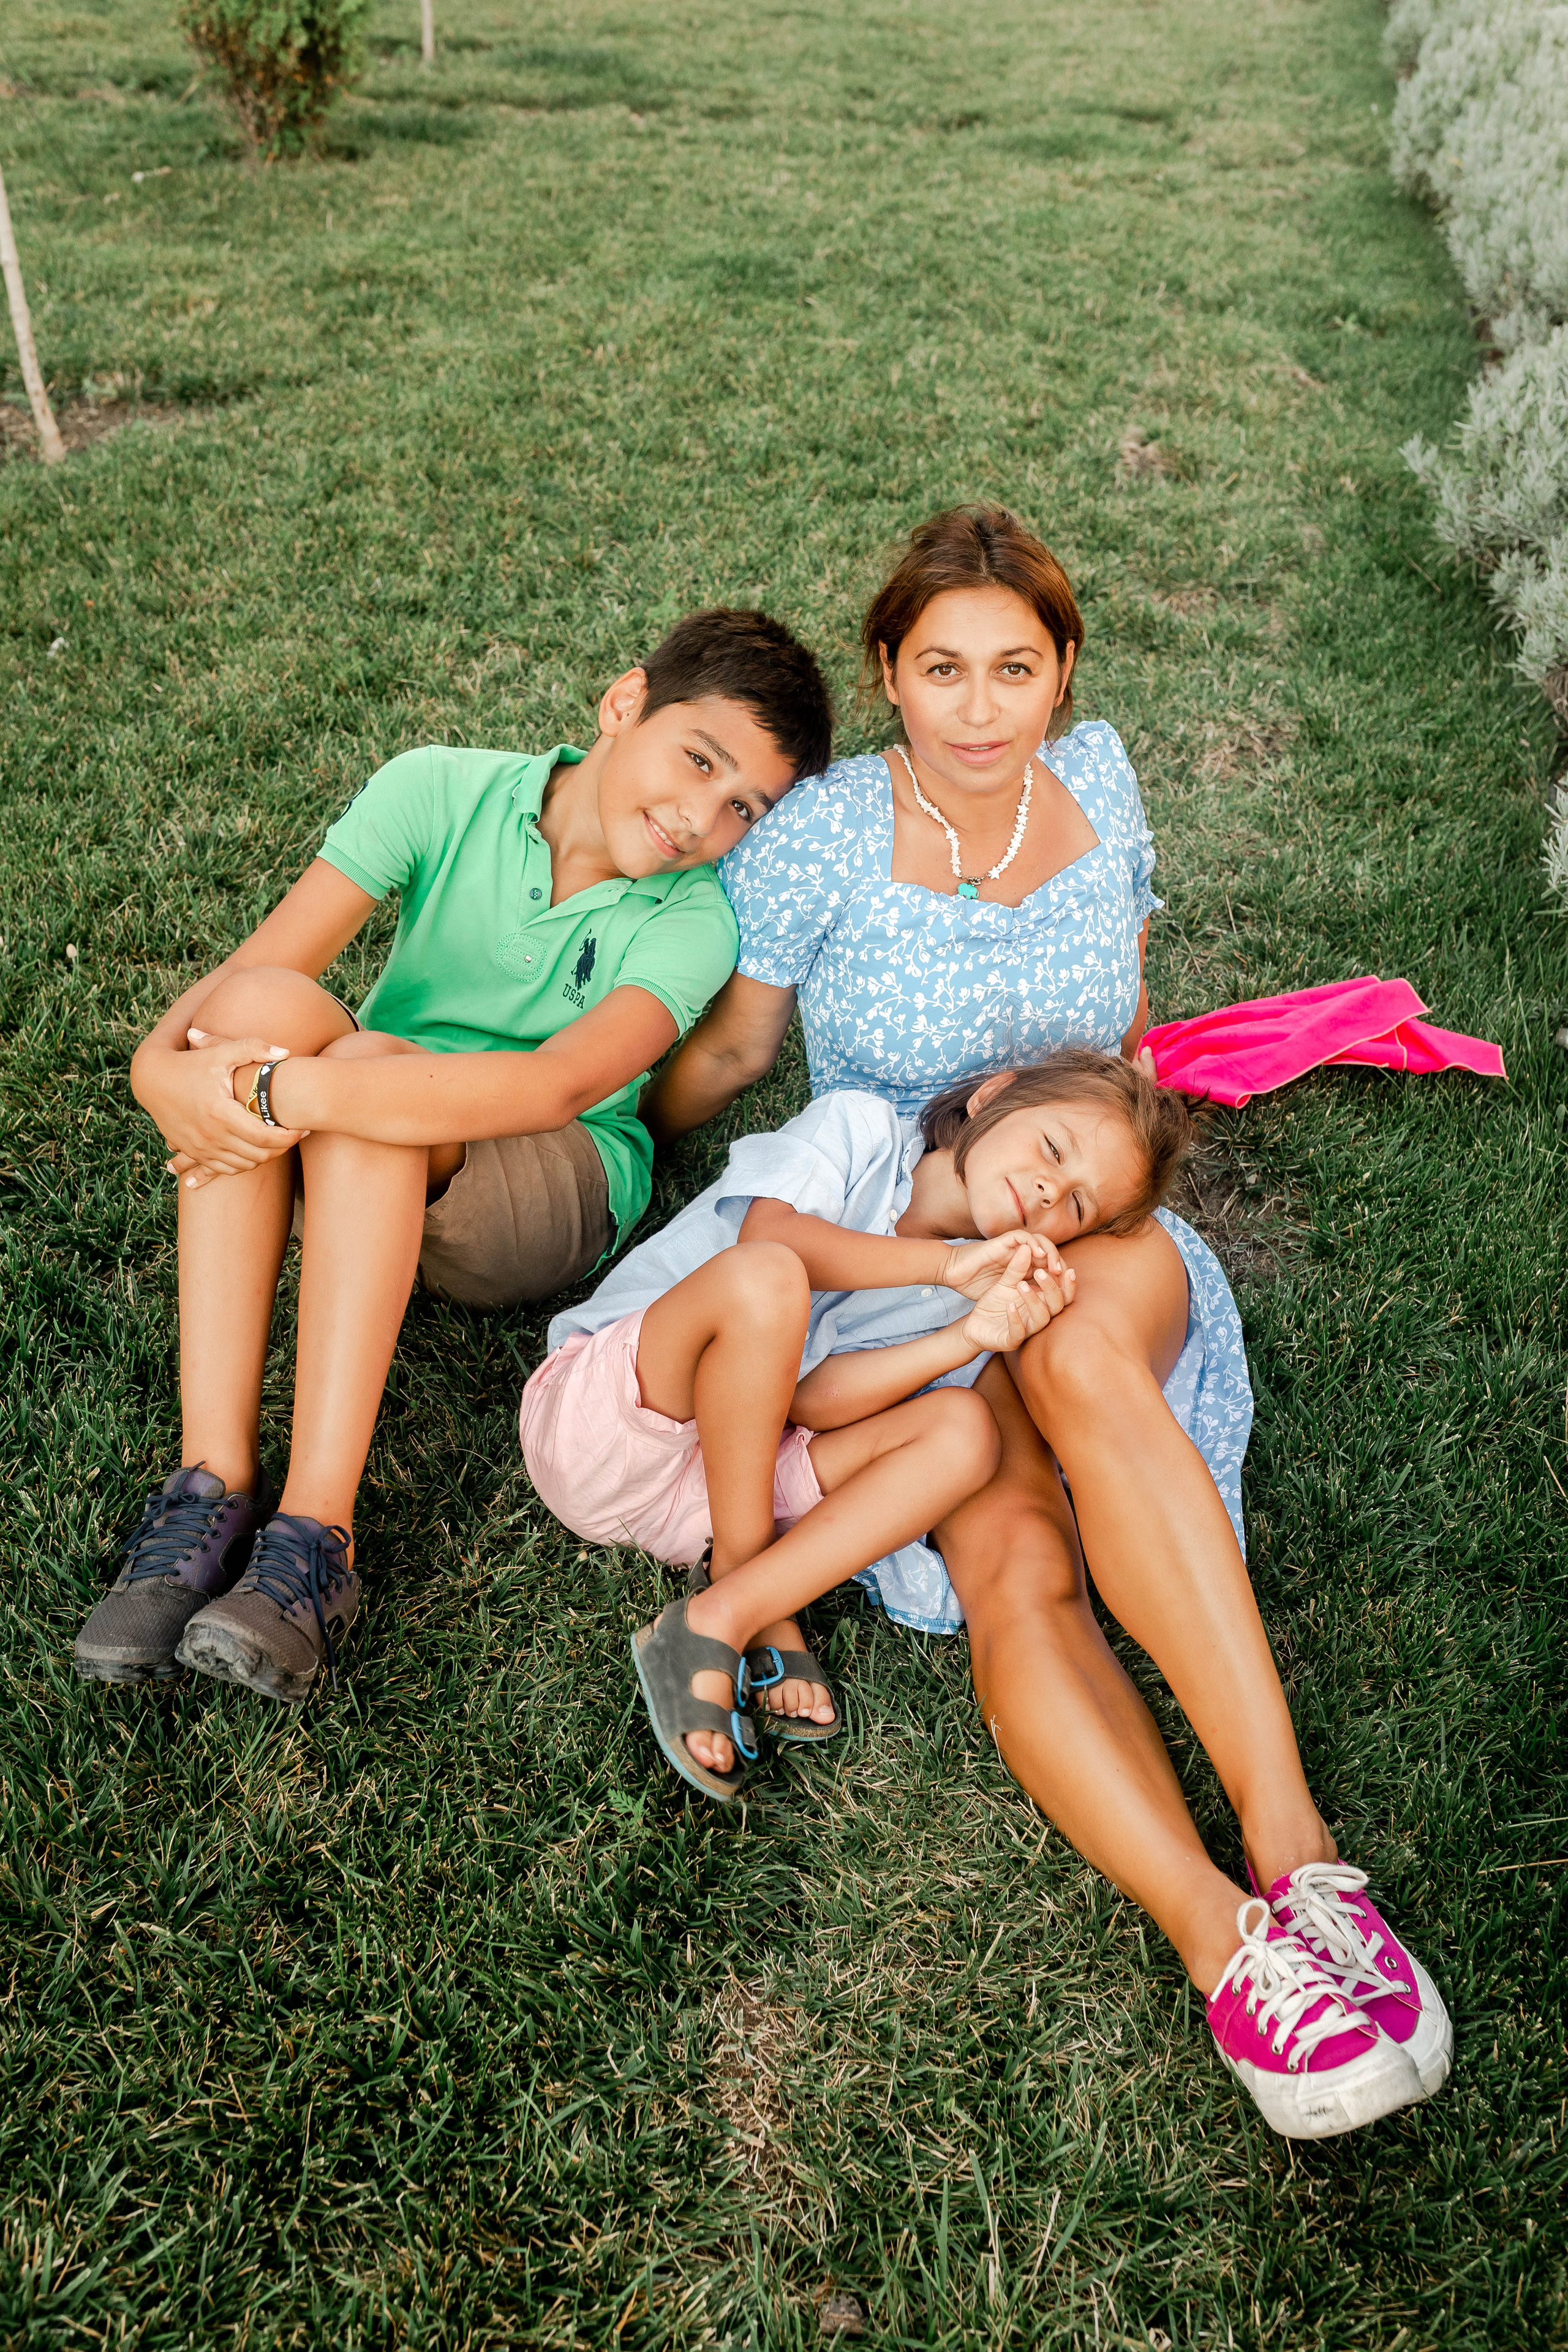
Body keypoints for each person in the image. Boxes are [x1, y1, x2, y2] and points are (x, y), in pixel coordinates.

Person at [641, 507, 1452, 2142]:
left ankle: (1299, 1858)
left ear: (1064, 675)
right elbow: (726, 1053)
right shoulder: (818, 836)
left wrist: (1087, 1153)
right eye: (942, 668)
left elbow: (1132, 997)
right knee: (1010, 1545)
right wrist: (603, 1149)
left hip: (1093, 1215)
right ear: (890, 675)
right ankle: (1228, 1951)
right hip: (908, 1242)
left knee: (1081, 1346)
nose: (980, 705)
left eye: (1016, 667)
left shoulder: (1111, 782)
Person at [74, 608, 834, 1708]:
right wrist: (161, 1069)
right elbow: (259, 973)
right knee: (253, 1006)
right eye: (698, 760)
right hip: (357, 1129)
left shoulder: (697, 919)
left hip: (545, 1181)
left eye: (741, 808)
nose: (699, 818)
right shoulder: (438, 786)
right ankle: (209, 1487)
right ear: (626, 705)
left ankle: (315, 1545)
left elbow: (556, 1086)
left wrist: (290, 1089)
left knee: (376, 1088)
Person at [522, 1049, 1186, 1799]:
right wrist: (939, 1266)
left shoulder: (972, 1287)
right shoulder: (861, 1129)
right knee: (768, 1276)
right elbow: (772, 1240)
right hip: (607, 1426)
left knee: (965, 1429)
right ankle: (753, 1586)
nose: (1046, 1189)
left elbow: (810, 1400)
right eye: (1053, 1150)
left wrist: (968, 1336)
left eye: (1075, 1206)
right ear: (992, 1097)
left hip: (703, 1501)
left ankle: (724, 1609)